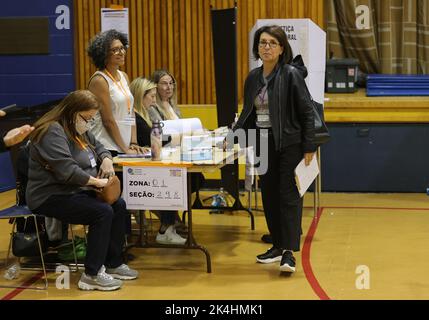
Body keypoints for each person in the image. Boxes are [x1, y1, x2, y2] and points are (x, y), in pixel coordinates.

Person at [26, 90, 138, 291]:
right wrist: (97, 182)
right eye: (86, 118)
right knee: (101, 212)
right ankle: (91, 275)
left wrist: (106, 159)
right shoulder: (52, 131)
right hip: (50, 195)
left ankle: (113, 263)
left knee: (118, 204)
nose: (89, 122)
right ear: (72, 112)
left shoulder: (79, 129)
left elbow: (100, 147)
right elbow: (67, 171)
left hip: (75, 190)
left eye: (92, 118)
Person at [230, 25, 316, 273]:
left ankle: (289, 252)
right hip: (262, 143)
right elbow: (248, 113)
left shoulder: (290, 74)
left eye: (272, 43)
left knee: (288, 196)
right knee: (268, 194)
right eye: (262, 43)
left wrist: (309, 145)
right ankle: (277, 245)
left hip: (289, 143)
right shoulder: (253, 78)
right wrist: (231, 136)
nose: (266, 47)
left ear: (281, 49)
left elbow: (307, 112)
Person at [129, 76, 186, 245]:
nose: (154, 100)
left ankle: (169, 225)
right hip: (140, 168)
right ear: (140, 95)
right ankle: (165, 228)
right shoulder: (136, 117)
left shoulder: (144, 114)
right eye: (151, 96)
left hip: (149, 161)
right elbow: (155, 139)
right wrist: (180, 137)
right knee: (171, 180)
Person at [87, 29, 144, 156]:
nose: (121, 52)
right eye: (115, 50)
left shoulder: (124, 76)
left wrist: (133, 142)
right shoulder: (99, 80)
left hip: (124, 144)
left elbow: (131, 111)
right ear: (103, 54)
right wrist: (125, 149)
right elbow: (108, 120)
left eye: (122, 48)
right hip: (107, 146)